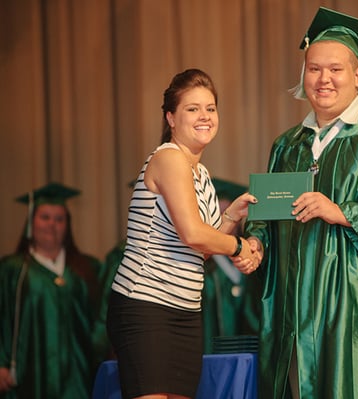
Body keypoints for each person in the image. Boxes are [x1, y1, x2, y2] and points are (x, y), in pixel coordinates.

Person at [238, 7, 358, 398]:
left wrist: (343, 211)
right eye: (313, 69)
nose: (323, 79)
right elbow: (269, 213)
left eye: (336, 69)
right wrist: (256, 243)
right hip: (296, 314)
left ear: (357, 75)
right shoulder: (288, 144)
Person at [106, 68, 259, 399]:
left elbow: (199, 250)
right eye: (193, 109)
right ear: (171, 118)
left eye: (210, 108)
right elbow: (192, 233)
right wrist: (239, 246)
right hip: (145, 306)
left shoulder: (201, 173)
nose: (204, 116)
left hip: (186, 312)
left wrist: (232, 216)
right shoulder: (169, 159)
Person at [0, 182, 108, 398]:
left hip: (78, 377)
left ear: (68, 225)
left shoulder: (86, 268)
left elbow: (100, 319)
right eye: (45, 217)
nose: (52, 225)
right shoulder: (13, 270)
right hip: (29, 374)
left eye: (59, 219)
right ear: (31, 223)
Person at [202, 178, 261, 353]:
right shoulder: (204, 264)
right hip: (209, 346)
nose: (228, 225)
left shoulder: (249, 255)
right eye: (220, 215)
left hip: (245, 343)